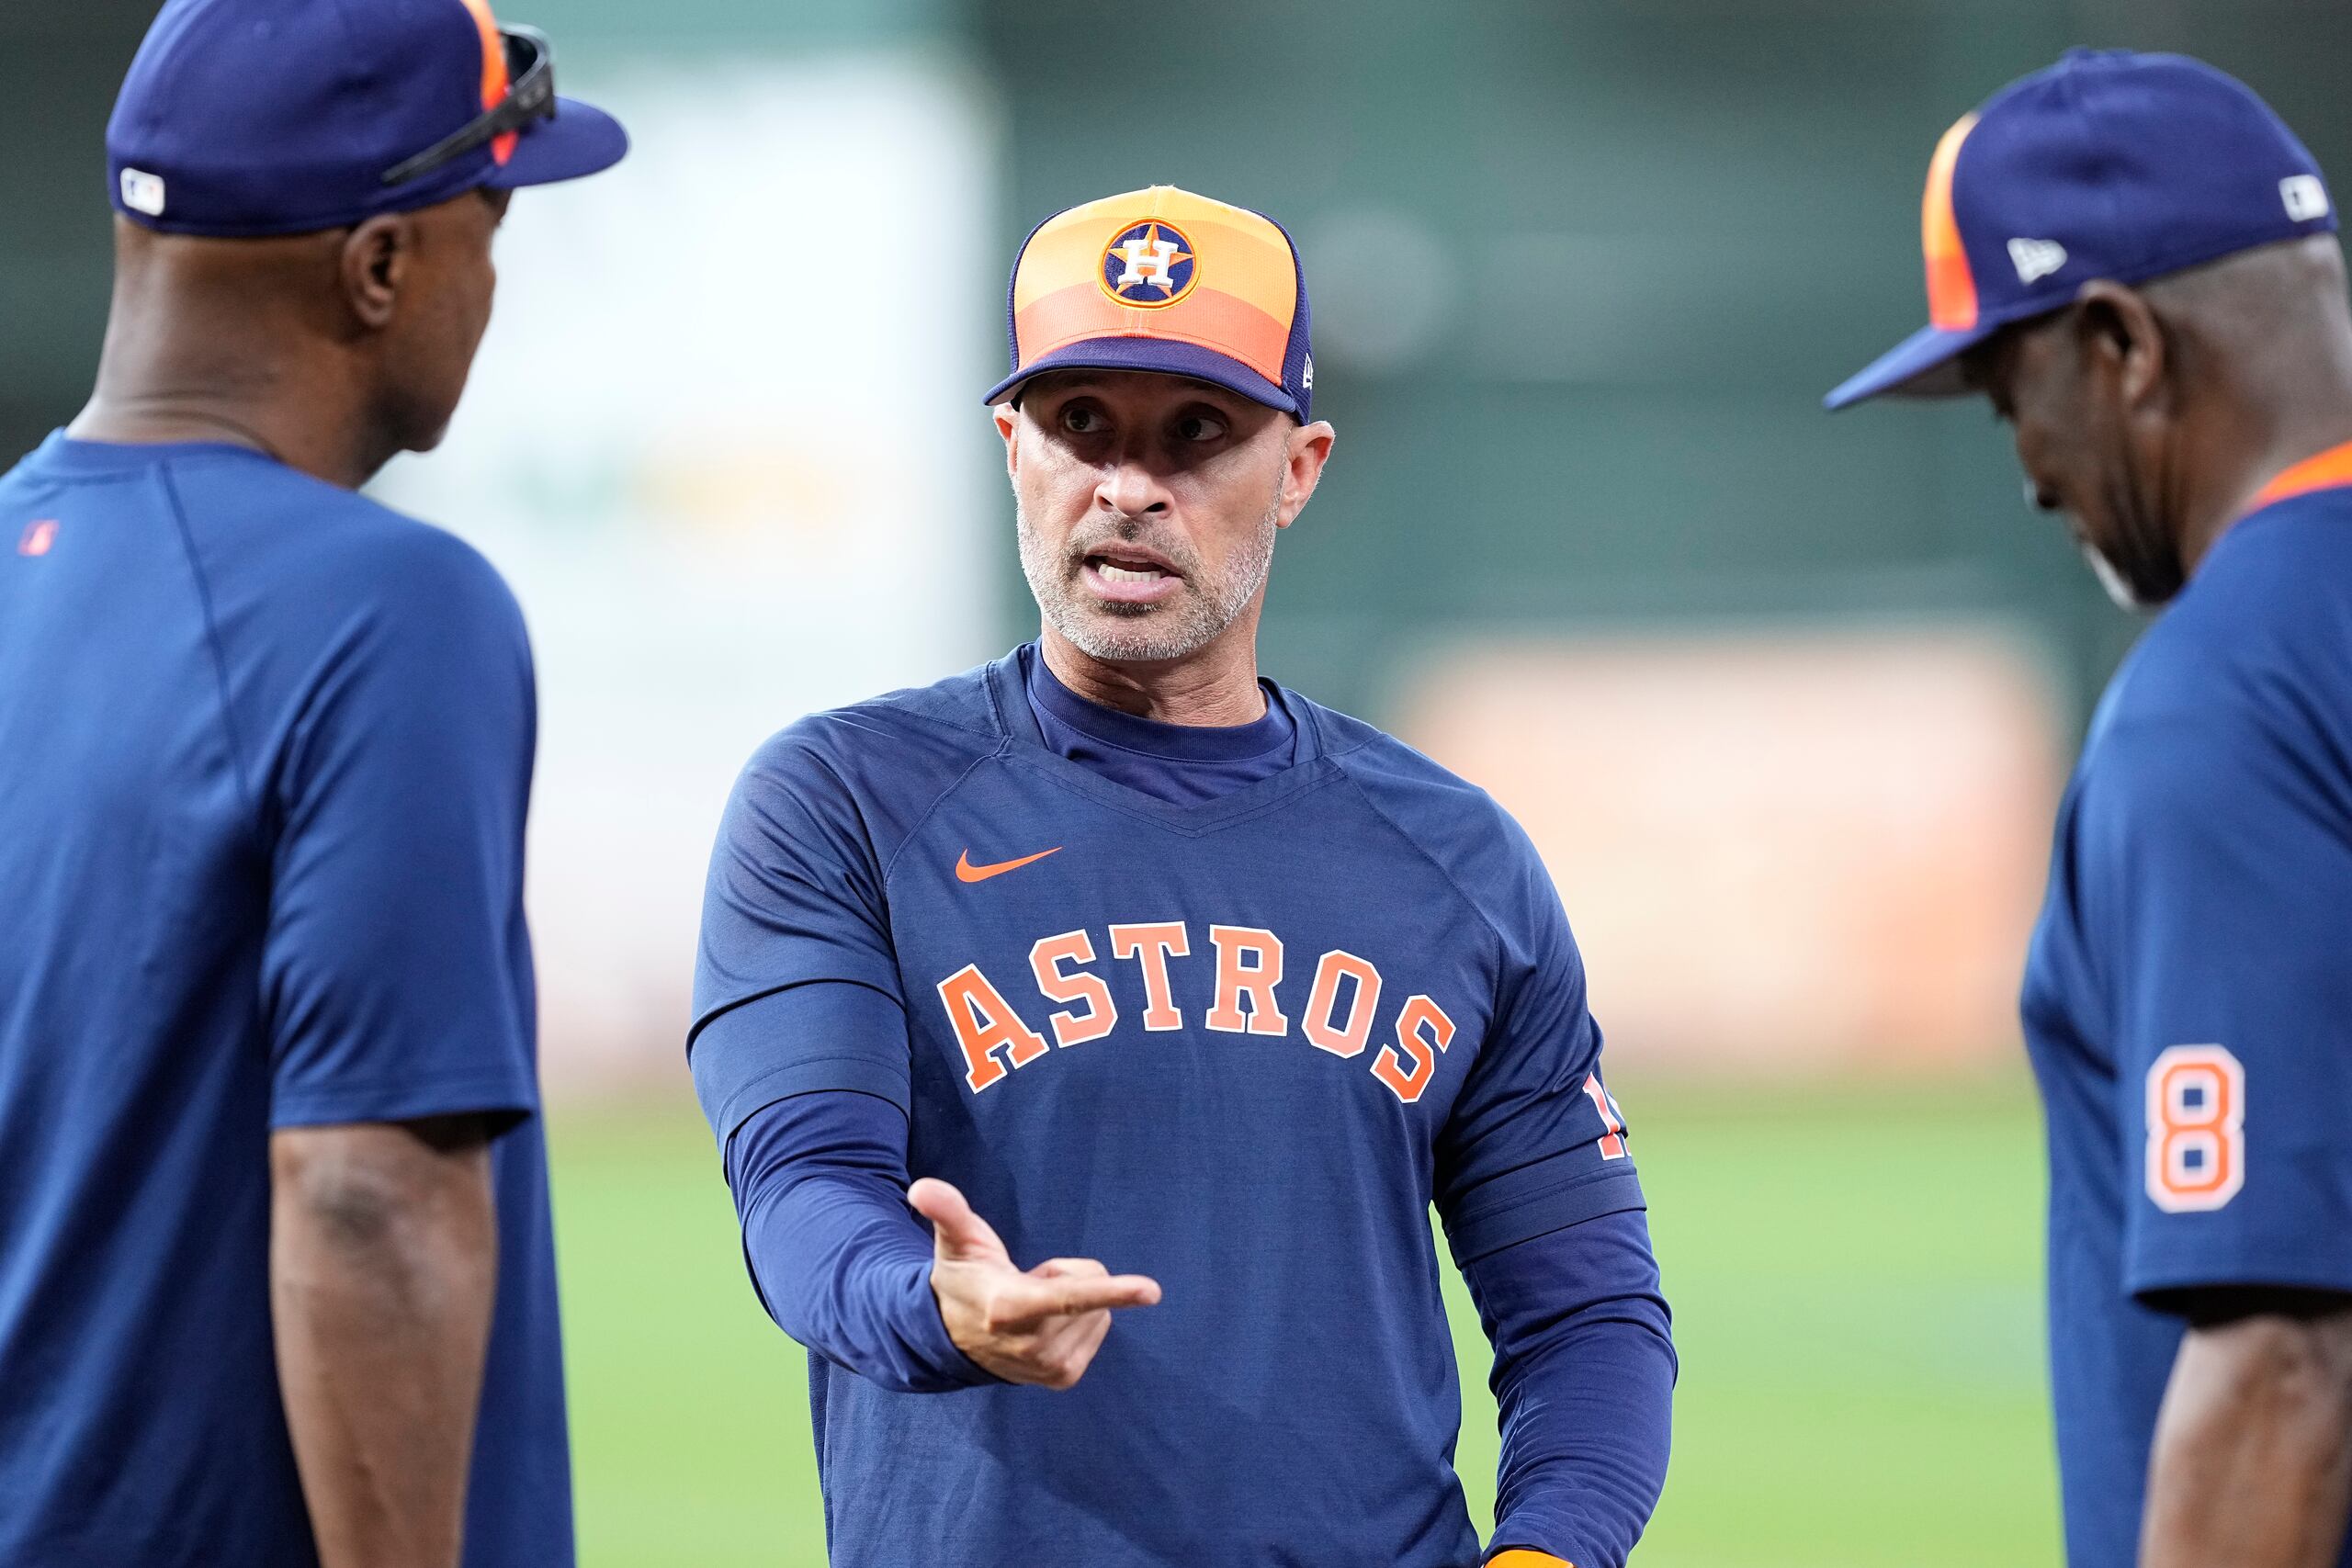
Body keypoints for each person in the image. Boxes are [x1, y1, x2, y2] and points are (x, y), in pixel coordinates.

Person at [691, 185, 1675, 1567]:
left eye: (1197, 432)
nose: (1129, 485)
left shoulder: (1454, 861)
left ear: (1301, 465)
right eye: (1080, 424)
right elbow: (800, 1191)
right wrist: (933, 1301)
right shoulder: (847, 802)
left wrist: (1547, 1555)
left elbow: (1586, 1315)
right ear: (1009, 449)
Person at [0, 3, 626, 1564]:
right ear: (382, 266)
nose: (495, 279)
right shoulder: (381, 606)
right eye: (490, 220)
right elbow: (366, 1191)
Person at [1829, 49, 2352, 1568]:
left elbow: (2281, 1353)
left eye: (2007, 394)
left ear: (2121, 344)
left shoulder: (2225, 701)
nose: (2028, 474)